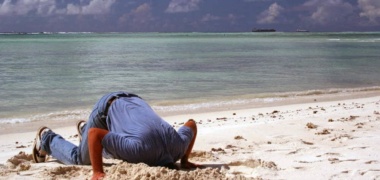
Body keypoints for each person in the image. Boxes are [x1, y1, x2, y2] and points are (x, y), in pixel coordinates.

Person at [32, 91, 201, 179]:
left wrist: (184, 159)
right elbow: (95, 134)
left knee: (112, 148)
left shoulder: (178, 147)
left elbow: (191, 124)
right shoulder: (139, 151)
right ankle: (46, 139)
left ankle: (83, 129)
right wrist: (97, 172)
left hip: (134, 101)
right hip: (105, 111)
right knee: (82, 160)